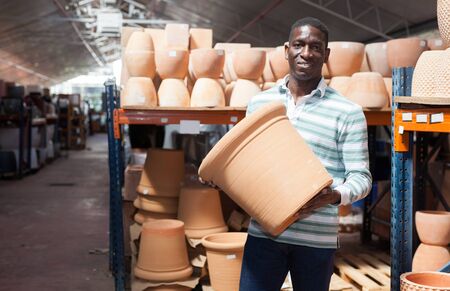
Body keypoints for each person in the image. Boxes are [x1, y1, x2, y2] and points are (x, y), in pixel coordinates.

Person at [238, 17, 372, 291]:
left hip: (316, 241)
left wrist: (335, 196)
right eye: (299, 45)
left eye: (315, 47)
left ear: (326, 54)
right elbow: (246, 163)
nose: (306, 54)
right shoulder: (260, 103)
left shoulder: (348, 112)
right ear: (286, 49)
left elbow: (361, 178)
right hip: (264, 235)